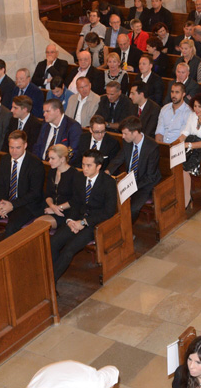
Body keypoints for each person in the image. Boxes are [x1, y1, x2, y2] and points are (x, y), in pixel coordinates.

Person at [51, 151, 118, 281]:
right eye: (83, 165)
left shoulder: (108, 183)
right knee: (53, 243)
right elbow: (76, 202)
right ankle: (51, 273)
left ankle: (52, 282)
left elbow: (108, 212)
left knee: (69, 250)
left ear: (98, 166)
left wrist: (83, 223)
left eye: (89, 165)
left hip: (93, 224)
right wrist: (70, 220)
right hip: (76, 219)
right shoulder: (79, 177)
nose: (85, 169)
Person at [107, 116, 162, 223]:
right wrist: (107, 171)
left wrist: (131, 187)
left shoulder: (152, 147)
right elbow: (118, 159)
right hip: (129, 180)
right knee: (109, 201)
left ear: (135, 132)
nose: (122, 136)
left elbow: (150, 176)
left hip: (145, 185)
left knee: (132, 209)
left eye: (125, 133)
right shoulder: (127, 142)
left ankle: (126, 229)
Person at [28, 361, 121, 388]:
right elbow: (113, 372)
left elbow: (113, 371)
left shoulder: (94, 381)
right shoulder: (94, 383)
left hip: (47, 374)